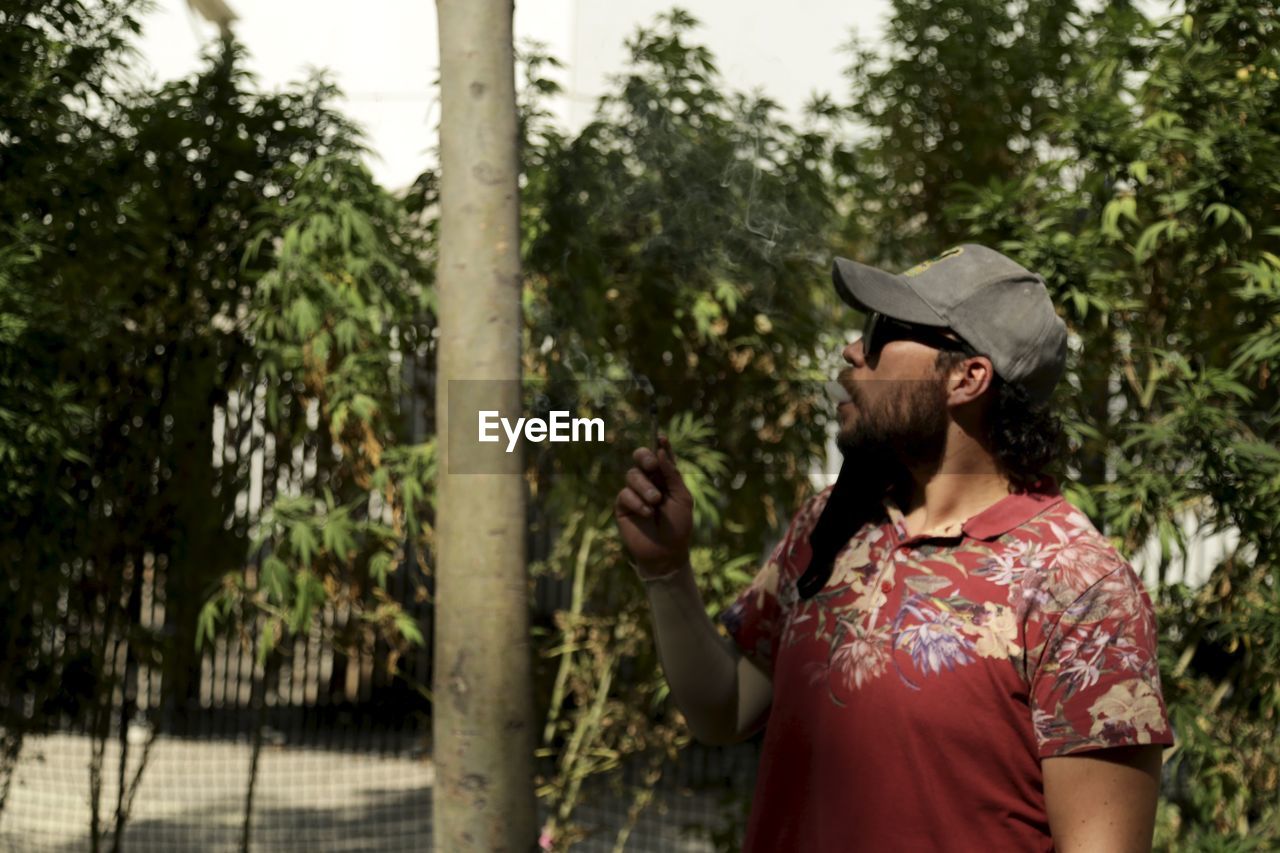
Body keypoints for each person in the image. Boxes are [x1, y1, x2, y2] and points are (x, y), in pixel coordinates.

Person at [614, 244, 1174, 852]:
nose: (853, 351)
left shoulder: (1078, 583)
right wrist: (666, 569)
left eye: (883, 334)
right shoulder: (832, 524)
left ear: (968, 377)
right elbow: (724, 713)